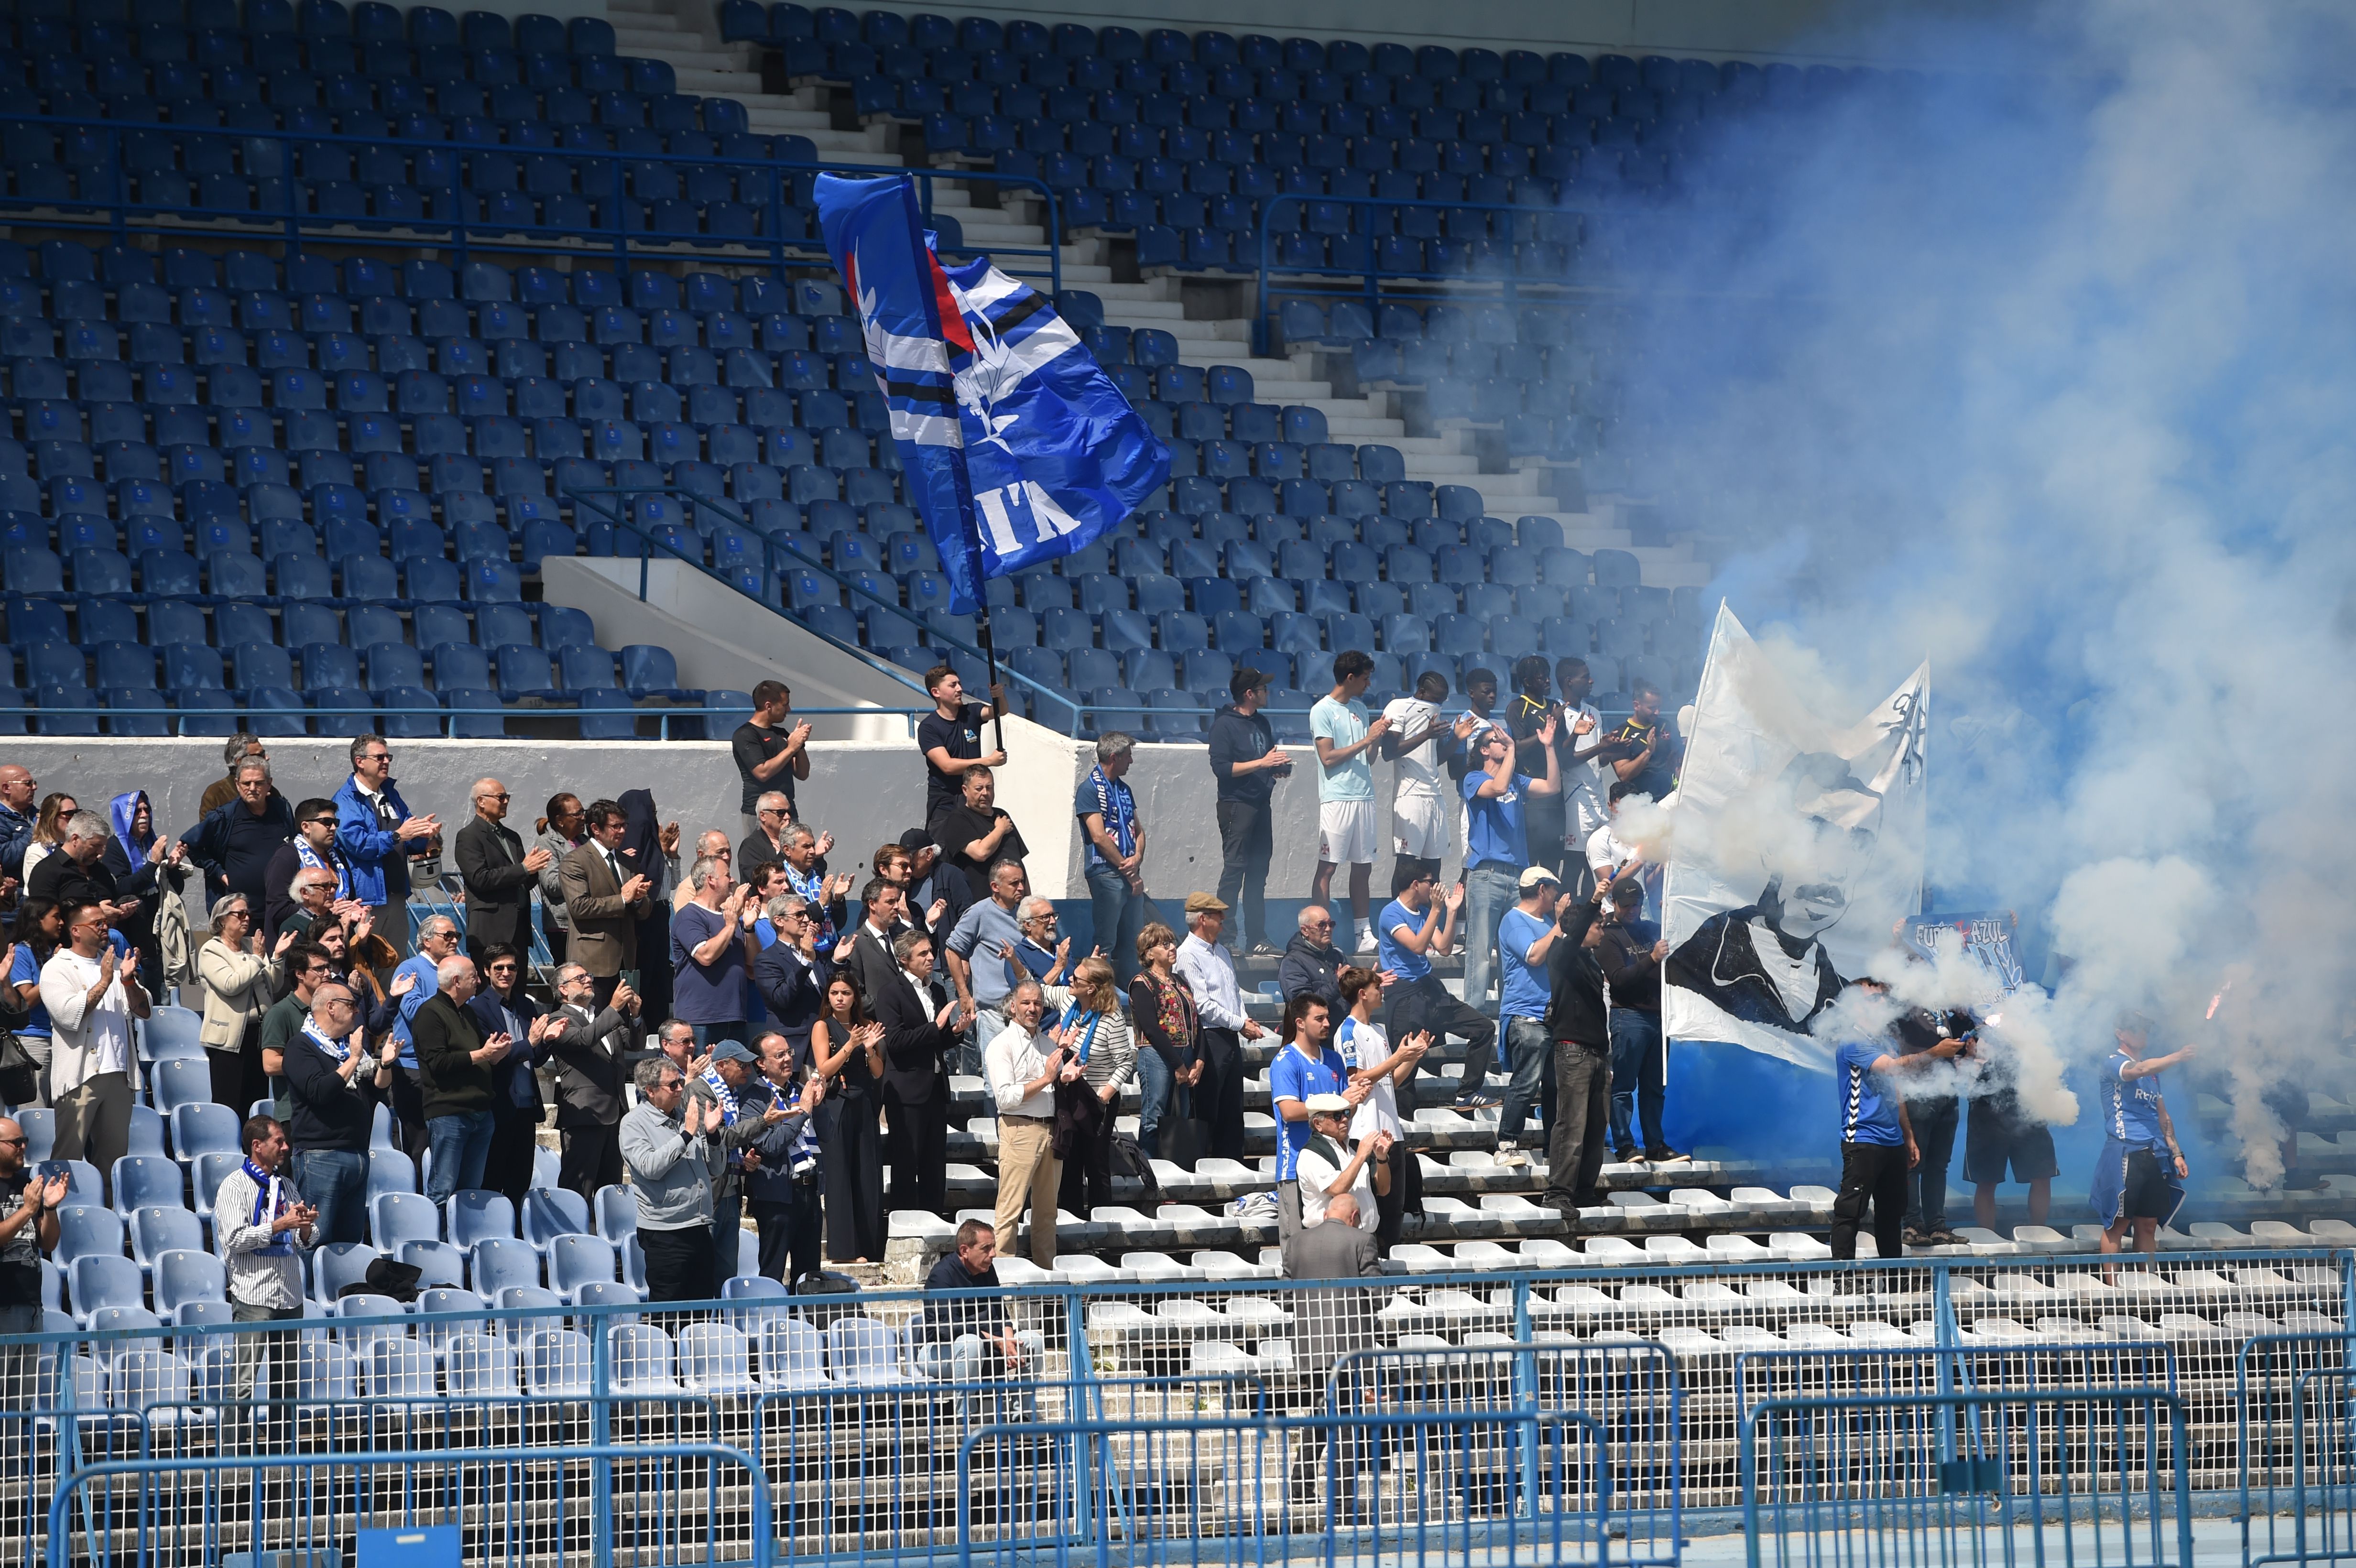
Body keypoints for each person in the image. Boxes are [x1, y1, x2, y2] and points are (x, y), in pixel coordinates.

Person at [1827, 978, 1968, 1261]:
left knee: (1892, 1213)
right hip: (1863, 1138)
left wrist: (1908, 1135)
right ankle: (1844, 1275)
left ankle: (1893, 1274)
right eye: (1873, 999)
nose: (1883, 1003)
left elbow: (1896, 1090)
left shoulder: (1886, 1041)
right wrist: (1935, 1053)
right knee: (1851, 1211)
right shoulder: (1853, 1041)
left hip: (1892, 1141)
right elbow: (1892, 1068)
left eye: (1883, 998)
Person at [42, 898, 148, 1197]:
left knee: (113, 1160)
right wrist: (104, 981)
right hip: (80, 1076)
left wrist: (128, 982)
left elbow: (144, 1011)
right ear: (76, 931)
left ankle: (105, 1215)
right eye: (98, 923)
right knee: (68, 1158)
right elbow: (67, 1015)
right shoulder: (57, 968)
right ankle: (60, 1216)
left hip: (119, 1074)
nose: (105, 928)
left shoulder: (116, 964)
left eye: (106, 922)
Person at [1460, 708, 1561, 1018]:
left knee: (1513, 950)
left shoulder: (1516, 778)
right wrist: (1514, 749)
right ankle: (1475, 1021)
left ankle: (1513, 1015)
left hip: (1517, 878)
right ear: (1484, 750)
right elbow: (1498, 788)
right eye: (1497, 740)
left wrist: (1548, 747)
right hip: (1486, 875)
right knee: (1480, 952)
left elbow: (1552, 787)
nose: (1504, 742)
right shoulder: (1473, 779)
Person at [282, 981, 395, 1245]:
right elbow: (319, 1092)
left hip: (357, 1154)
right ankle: (311, 1276)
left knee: (350, 1243)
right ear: (331, 1007)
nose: (357, 1011)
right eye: (352, 1005)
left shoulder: (349, 1048)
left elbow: (378, 1090)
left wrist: (386, 1064)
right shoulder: (301, 1047)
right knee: (315, 1239)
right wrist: (353, 1060)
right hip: (321, 1155)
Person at [1376, 867, 1495, 1114]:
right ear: (1415, 884)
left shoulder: (1425, 912)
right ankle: (1403, 1124)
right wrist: (1437, 910)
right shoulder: (1391, 913)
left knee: (1483, 1027)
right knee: (1407, 1061)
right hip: (1404, 995)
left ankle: (1467, 1093)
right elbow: (1418, 946)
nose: (1436, 886)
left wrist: (1451, 912)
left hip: (1430, 989)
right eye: (1431, 882)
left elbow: (1444, 948)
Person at [215, 1114, 316, 1403]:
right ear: (257, 1146)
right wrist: (280, 1225)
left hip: (290, 1296)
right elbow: (234, 1240)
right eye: (279, 1141)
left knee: (287, 1386)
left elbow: (305, 1240)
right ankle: (234, 1436)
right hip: (254, 1297)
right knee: (244, 1385)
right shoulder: (233, 1187)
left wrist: (305, 1226)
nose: (286, 1147)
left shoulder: (286, 1185)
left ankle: (283, 1436)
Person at [874, 928, 969, 1215]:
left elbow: (937, 1040)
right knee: (906, 1163)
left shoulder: (936, 990)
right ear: (904, 959)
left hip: (935, 1088)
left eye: (931, 952)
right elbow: (895, 1042)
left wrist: (956, 1031)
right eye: (923, 954)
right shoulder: (891, 992)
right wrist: (935, 1027)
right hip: (906, 1091)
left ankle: (934, 1219)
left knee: (934, 1164)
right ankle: (905, 1223)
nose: (931, 958)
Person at [687, 1038, 789, 1296]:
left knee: (726, 1268)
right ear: (721, 1066)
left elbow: (728, 1144)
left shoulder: (732, 1093)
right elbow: (718, 1137)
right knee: (703, 1266)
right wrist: (763, 1121)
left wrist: (743, 1161)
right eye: (742, 1065)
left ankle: (724, 1319)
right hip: (708, 1194)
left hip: (730, 1191)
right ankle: (703, 1320)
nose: (748, 1070)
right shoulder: (700, 1091)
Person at [1335, 967, 1426, 1251]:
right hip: (1365, 1133)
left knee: (1393, 1212)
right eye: (1377, 987)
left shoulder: (1379, 1030)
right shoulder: (1348, 1031)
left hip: (1392, 1133)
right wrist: (1398, 1057)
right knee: (1370, 1211)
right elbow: (1356, 1079)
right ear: (1363, 994)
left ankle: (1389, 1268)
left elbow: (1389, 1081)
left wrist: (1412, 1057)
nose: (1382, 991)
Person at [410, 954, 512, 1204]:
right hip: (449, 1113)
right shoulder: (430, 1013)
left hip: (481, 1112)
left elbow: (479, 1056)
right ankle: (440, 1230)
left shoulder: (467, 1012)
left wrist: (496, 1053)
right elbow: (438, 1063)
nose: (479, 981)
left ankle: (465, 1230)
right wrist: (483, 1054)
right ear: (456, 981)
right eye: (473, 976)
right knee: (443, 1191)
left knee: (471, 1193)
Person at [1596, 877, 1683, 1165]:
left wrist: (1673, 910)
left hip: (1660, 1017)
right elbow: (1619, 979)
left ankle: (1655, 1144)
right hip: (1629, 1015)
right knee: (1623, 1086)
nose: (1632, 910)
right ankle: (1624, 1145)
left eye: (1636, 904)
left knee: (1655, 1088)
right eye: (1626, 905)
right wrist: (1652, 959)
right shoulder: (1609, 936)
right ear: (1614, 904)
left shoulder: (1650, 929)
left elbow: (1679, 940)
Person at [916, 1220, 1045, 1417]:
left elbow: (1002, 1315)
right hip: (937, 1353)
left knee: (1033, 1341)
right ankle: (965, 1418)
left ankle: (1023, 1413)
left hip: (986, 1346)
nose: (993, 1254)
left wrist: (1009, 1342)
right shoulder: (942, 1275)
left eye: (993, 1247)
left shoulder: (987, 1269)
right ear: (965, 1250)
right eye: (986, 1248)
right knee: (971, 1344)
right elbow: (948, 1329)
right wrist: (997, 1341)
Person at [1309, 651, 1392, 955]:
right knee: (1328, 868)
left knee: (1363, 867)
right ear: (1350, 678)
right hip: (1337, 799)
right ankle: (1319, 934)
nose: (1368, 684)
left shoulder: (1360, 708)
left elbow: (1369, 759)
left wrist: (1377, 737)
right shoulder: (1321, 710)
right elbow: (1328, 758)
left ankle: (1363, 934)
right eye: (1365, 678)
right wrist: (1367, 740)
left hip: (1365, 797)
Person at [983, 979, 1069, 1266]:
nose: (1033, 1009)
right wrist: (1046, 1079)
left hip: (1050, 1130)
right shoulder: (1001, 1045)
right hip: (1019, 1128)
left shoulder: (1048, 1044)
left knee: (1047, 1212)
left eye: (1038, 1003)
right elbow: (1005, 1098)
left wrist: (1067, 1076)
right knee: (1011, 1208)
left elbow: (1055, 1084)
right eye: (1026, 1003)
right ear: (1013, 1007)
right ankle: (1003, 1273)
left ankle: (1046, 1272)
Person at [1206, 667, 1290, 956]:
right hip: (1236, 806)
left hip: (1260, 805)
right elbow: (1221, 769)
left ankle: (1257, 938)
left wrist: (1277, 768)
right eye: (1263, 689)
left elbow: (1265, 759)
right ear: (1249, 694)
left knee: (1258, 875)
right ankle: (1226, 938)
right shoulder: (1224, 726)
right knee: (1234, 871)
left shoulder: (1261, 722)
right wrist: (1262, 764)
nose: (1268, 693)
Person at [1542, 879, 1614, 1217]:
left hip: (1598, 1053)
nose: (1602, 930)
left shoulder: (1592, 962)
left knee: (1596, 1127)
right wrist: (1595, 900)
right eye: (1598, 925)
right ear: (1583, 928)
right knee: (1571, 1125)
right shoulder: (1562, 953)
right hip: (1573, 1052)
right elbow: (1572, 937)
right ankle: (1558, 1192)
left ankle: (1584, 1191)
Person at [2095, 1013, 2192, 1262]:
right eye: (2136, 1028)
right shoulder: (2114, 1062)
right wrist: (2178, 1056)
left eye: (2146, 1029)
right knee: (2118, 1224)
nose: (2143, 1033)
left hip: (2155, 1153)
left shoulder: (2153, 1074)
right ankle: (2113, 1285)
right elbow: (2138, 1069)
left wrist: (2176, 1153)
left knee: (2148, 1224)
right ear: (2120, 1033)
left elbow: (2163, 1116)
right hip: (2126, 1151)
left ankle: (2147, 1282)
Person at [1175, 893, 1265, 1161]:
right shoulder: (1187, 954)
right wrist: (1240, 1024)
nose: (1224, 919)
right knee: (1208, 1108)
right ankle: (1203, 1165)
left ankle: (1232, 1164)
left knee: (1232, 1109)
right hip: (1209, 1038)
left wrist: (1244, 1020)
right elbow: (1202, 1005)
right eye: (1218, 915)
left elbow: (1234, 994)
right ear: (1203, 919)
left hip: (1229, 1036)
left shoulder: (1221, 951)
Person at [620, 1057, 718, 1303]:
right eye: (672, 1085)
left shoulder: (686, 1118)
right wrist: (686, 1135)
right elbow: (650, 1167)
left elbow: (716, 1167)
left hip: (699, 1226)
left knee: (701, 1309)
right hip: (665, 1233)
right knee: (666, 1310)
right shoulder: (633, 1124)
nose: (680, 1089)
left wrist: (713, 1135)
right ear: (650, 1091)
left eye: (681, 1082)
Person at [1268, 991, 1362, 1246]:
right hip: (1296, 1165)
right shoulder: (1286, 1061)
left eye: (1328, 1018)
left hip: (1335, 1168)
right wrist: (1338, 1102)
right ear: (1300, 1023)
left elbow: (1344, 1115)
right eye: (1319, 1019)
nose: (1327, 1024)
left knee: (1334, 1245)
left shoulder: (1334, 1059)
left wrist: (1353, 1101)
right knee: (1297, 1247)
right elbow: (1289, 1111)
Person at [467, 945, 557, 1207]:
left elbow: (535, 1057)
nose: (506, 973)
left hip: (527, 1107)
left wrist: (546, 1041)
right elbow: (491, 1060)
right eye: (499, 968)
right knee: (493, 1179)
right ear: (487, 971)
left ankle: (518, 1230)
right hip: (498, 1106)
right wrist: (530, 1043)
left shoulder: (526, 1004)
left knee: (521, 1181)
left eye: (512, 967)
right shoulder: (477, 1009)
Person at [543, 963, 641, 1206]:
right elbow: (582, 1039)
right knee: (578, 1190)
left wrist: (636, 1016)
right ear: (563, 989)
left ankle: (606, 1230)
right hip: (585, 1117)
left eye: (589, 976)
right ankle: (571, 1229)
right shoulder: (559, 1019)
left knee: (612, 1191)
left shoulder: (600, 1018)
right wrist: (614, 1008)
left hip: (615, 1115)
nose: (588, 980)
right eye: (580, 978)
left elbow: (635, 1044)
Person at [334, 738, 439, 958]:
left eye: (388, 757)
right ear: (360, 762)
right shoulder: (346, 800)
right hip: (366, 901)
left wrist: (424, 835)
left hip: (397, 896)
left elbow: (407, 838)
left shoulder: (390, 794)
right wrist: (397, 836)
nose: (386, 762)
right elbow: (359, 844)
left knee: (394, 962)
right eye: (380, 757)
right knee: (363, 964)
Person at [808, 971, 888, 1262]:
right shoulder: (823, 1026)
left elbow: (878, 1072)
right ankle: (844, 1250)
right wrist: (850, 1045)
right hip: (836, 1103)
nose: (840, 998)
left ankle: (868, 1247)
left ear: (855, 997)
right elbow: (824, 1069)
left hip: (863, 1101)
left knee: (867, 1173)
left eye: (846, 993)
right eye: (834, 993)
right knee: (839, 1174)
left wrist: (869, 1050)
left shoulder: (865, 1025)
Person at [1054, 955, 1135, 1219]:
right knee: (1070, 1161)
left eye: (1076, 978)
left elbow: (1125, 1062)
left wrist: (1103, 1098)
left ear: (1091, 988)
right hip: (1070, 1095)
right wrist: (1015, 961)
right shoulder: (1068, 999)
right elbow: (1035, 989)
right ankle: (1072, 1220)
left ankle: (1103, 1222)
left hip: (1099, 1098)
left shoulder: (1112, 1018)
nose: (1070, 979)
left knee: (1096, 1162)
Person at [742, 1032, 827, 1284]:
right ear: (761, 1063)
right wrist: (804, 1112)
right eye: (779, 1055)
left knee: (809, 1275)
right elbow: (771, 1145)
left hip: (809, 1190)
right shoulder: (753, 1099)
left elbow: (829, 1134)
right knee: (773, 1271)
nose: (788, 1059)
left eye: (789, 1053)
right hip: (777, 1196)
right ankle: (771, 1311)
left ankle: (804, 1311)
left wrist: (819, 1106)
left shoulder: (800, 1091)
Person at [1494, 868, 1565, 1167]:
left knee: (1555, 1086)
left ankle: (1553, 1150)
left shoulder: (1547, 923)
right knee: (1527, 1082)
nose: (1557, 895)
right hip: (1525, 1014)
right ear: (1541, 889)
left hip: (1552, 1016)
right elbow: (1534, 955)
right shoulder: (1514, 920)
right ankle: (1506, 1145)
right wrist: (1560, 925)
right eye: (1554, 889)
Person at [197, 893, 293, 1112]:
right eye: (240, 914)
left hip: (260, 1033)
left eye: (248, 914)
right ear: (222, 920)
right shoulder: (211, 950)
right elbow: (230, 985)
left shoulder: (252, 944)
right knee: (229, 1102)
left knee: (256, 1099)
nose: (247, 918)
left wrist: (277, 957)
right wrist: (257, 959)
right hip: (230, 1039)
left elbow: (273, 985)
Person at [560, 799, 653, 1010]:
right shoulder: (575, 861)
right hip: (594, 962)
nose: (622, 831)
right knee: (597, 1021)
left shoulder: (628, 862)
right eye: (615, 826)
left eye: (624, 825)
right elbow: (579, 906)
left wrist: (639, 899)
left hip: (626, 962)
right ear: (596, 829)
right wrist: (623, 899)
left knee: (624, 1021)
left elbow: (643, 910)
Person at [385, 915, 461, 1162]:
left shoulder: (457, 968)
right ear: (427, 941)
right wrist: (450, 997)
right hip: (413, 1068)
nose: (454, 940)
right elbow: (412, 1010)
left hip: (448, 1066)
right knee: (419, 1146)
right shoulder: (410, 969)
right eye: (447, 935)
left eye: (457, 935)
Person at [1076, 732, 1147, 985]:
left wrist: (1137, 857)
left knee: (1135, 938)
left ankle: (1133, 988)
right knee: (1106, 939)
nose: (1131, 761)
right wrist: (1129, 870)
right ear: (1114, 758)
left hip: (1130, 874)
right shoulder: (1089, 790)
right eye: (1128, 756)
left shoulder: (1125, 789)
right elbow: (1098, 836)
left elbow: (1139, 831)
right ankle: (1099, 989)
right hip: (1105, 874)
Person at [456, 778, 552, 963]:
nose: (506, 801)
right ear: (481, 801)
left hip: (518, 929)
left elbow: (523, 880)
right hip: (490, 929)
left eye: (507, 797)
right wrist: (524, 868)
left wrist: (535, 868)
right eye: (501, 797)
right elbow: (480, 879)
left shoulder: (512, 837)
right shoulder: (469, 836)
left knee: (517, 981)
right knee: (492, 981)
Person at [1898, 1003, 1970, 1248]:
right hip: (1917, 1092)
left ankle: (1937, 1227)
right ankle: (1911, 1225)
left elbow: (1953, 1044)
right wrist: (1937, 1052)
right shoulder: (1903, 1004)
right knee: (1913, 1163)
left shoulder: (1941, 1006)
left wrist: (1963, 1022)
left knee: (1939, 1166)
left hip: (1947, 1092)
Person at [0, 1122, 67, 1384]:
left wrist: (49, 1209)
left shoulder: (26, 1185)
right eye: (16, 1142)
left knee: (20, 1400)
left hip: (31, 1307)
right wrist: (27, 1210)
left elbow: (48, 1243)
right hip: (3, 1308)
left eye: (24, 1140)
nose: (23, 1147)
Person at [181, 759, 295, 909]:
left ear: (269, 784)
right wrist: (219, 873)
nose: (252, 788)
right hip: (239, 913)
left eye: (259, 783)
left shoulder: (283, 810)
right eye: (247, 783)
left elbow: (294, 847)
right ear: (237, 784)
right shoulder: (225, 817)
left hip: (280, 908)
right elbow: (189, 844)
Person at [1129, 924, 1200, 1161]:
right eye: (1165, 944)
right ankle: (1150, 1167)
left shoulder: (1180, 981)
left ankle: (1178, 1166)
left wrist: (1199, 1059)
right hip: (1157, 1056)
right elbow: (1151, 1028)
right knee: (1154, 1114)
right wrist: (1177, 1064)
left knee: (1183, 1116)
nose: (1173, 948)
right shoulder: (1142, 983)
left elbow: (1195, 1020)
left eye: (1173, 942)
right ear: (1149, 953)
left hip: (1187, 1056)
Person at [673, 854, 761, 1045]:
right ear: (711, 880)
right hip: (702, 1020)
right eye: (727, 875)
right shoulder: (689, 915)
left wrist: (748, 927)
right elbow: (706, 956)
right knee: (702, 1066)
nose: (732, 880)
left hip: (735, 1017)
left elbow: (754, 963)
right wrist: (731, 926)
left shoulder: (728, 917)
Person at [945, 859, 1031, 1052]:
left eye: (1022, 882)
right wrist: (964, 994)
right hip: (994, 1012)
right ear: (995, 887)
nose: (1021, 887)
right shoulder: (979, 912)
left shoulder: (1025, 914)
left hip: (1024, 1008)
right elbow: (951, 951)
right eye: (1014, 883)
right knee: (996, 1069)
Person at [1552, 657, 1619, 898]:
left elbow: (1599, 760)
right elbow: (1566, 760)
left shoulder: (1594, 713)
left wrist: (1612, 748)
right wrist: (1601, 747)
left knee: (1596, 865)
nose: (1591, 681)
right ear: (1570, 681)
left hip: (1598, 799)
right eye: (1585, 677)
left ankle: (1592, 914)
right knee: (1574, 865)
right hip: (1576, 800)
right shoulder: (1558, 711)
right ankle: (1566, 916)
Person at [1380, 670, 1454, 886]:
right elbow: (1389, 752)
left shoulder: (1435, 712)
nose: (1439, 704)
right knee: (1407, 865)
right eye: (1436, 699)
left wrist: (1457, 738)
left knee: (1434, 866)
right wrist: (1426, 735)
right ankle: (1398, 910)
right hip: (1410, 794)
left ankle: (1431, 909)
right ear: (1421, 692)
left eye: (1443, 700)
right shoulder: (1398, 707)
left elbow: (1436, 758)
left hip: (1435, 794)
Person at [1288, 1091, 1389, 1247]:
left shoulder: (1355, 1147)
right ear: (1318, 1124)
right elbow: (1337, 1189)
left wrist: (1381, 1158)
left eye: (1346, 1113)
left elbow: (1383, 1190)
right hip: (1330, 1242)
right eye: (1337, 1116)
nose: (1345, 1120)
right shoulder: (1311, 1154)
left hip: (1365, 1239)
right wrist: (1361, 1156)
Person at [917, 664, 1009, 830]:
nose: (960, 689)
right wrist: (989, 761)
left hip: (973, 798)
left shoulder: (972, 712)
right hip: (946, 802)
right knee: (944, 844)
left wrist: (999, 695)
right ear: (936, 692)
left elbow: (1000, 711)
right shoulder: (928, 727)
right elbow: (948, 766)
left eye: (959, 684)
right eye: (953, 685)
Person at [1967, 1071, 2058, 1234]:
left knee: (2042, 1176)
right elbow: (1963, 1062)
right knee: (1986, 1180)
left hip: (2030, 1104)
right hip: (1986, 1109)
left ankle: (2038, 1234)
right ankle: (1987, 1238)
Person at [932, 766, 1030, 906]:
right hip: (983, 906)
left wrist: (1028, 902)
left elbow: (1019, 863)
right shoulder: (958, 819)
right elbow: (980, 853)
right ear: (965, 790)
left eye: (989, 788)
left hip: (1016, 907)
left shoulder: (1002, 815)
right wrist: (1000, 829)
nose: (985, 793)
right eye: (979, 789)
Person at [258, 940, 335, 1118]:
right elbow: (270, 1064)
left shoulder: (330, 1010)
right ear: (299, 974)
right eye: (320, 969)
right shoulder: (280, 1013)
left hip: (329, 1108)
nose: (327, 974)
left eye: (328, 967)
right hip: (295, 1114)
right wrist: (319, 1062)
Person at [262, 797, 350, 945]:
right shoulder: (286, 858)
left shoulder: (338, 856)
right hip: (297, 946)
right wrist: (327, 911)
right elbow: (278, 910)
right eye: (327, 822)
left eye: (336, 823)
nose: (334, 828)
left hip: (336, 941)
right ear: (306, 827)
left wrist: (352, 909)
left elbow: (348, 897)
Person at [3, 900, 61, 1109]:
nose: (61, 922)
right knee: (35, 1112)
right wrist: (53, 968)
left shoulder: (54, 952)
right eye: (56, 917)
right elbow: (27, 1000)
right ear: (38, 920)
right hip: (33, 1040)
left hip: (60, 1040)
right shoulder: (21, 953)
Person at [734, 679, 813, 831]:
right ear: (769, 706)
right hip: (760, 814)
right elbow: (763, 773)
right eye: (785, 705)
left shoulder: (781, 734)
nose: (789, 709)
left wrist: (800, 745)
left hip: (788, 812)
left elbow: (803, 774)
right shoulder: (745, 735)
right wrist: (791, 748)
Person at [26, 810, 127, 919]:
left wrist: (121, 910)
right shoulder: (46, 871)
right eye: (95, 846)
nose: (100, 852)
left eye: (103, 847)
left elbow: (113, 900)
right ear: (75, 839)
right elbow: (43, 919)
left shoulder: (101, 870)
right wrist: (96, 914)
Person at [837, 876, 910, 1002]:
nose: (897, 907)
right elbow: (855, 994)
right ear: (872, 905)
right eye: (890, 902)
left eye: (898, 901)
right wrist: (886, 1008)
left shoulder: (900, 936)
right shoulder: (855, 943)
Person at [1610, 679, 1684, 803]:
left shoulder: (1666, 725)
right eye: (1652, 708)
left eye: (1659, 707)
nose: (1657, 712)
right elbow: (1624, 775)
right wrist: (1648, 751)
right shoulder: (1621, 734)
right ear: (1636, 706)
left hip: (1669, 800)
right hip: (1640, 804)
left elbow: (1679, 755)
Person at [535, 795, 589, 962]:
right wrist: (587, 874)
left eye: (583, 812)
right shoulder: (547, 843)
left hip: (588, 920)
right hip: (564, 926)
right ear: (560, 821)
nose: (583, 818)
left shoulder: (585, 841)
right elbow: (551, 884)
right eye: (577, 814)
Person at [1277, 905, 1349, 1017]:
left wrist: (1368, 982)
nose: (1328, 929)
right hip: (1315, 1027)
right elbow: (1302, 1004)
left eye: (1331, 924)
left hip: (1344, 1025)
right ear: (1305, 931)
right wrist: (1337, 985)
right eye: (1322, 925)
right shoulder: (1293, 962)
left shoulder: (1338, 956)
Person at [197, 734, 271, 817]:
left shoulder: (269, 792)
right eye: (260, 755)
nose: (267, 758)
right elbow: (209, 825)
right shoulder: (215, 794)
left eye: (259, 783)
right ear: (240, 761)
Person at [16, 792, 76, 888]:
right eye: (69, 814)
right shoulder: (37, 851)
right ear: (52, 817)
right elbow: (38, 889)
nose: (75, 819)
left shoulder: (78, 847)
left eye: (77, 814)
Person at [670, 830, 735, 915]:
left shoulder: (733, 884)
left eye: (729, 851)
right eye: (720, 852)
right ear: (702, 855)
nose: (727, 857)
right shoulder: (689, 890)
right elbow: (690, 921)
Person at [740, 791, 796, 878]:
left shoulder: (796, 840)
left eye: (789, 812)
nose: (787, 817)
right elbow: (762, 879)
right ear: (763, 816)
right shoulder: (751, 846)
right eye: (781, 812)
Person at [0, 762, 38, 880]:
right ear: (6, 788)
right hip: (18, 888)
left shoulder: (36, 814)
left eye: (34, 783)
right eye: (28, 783)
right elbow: (5, 857)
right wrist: (36, 830)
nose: (34, 787)